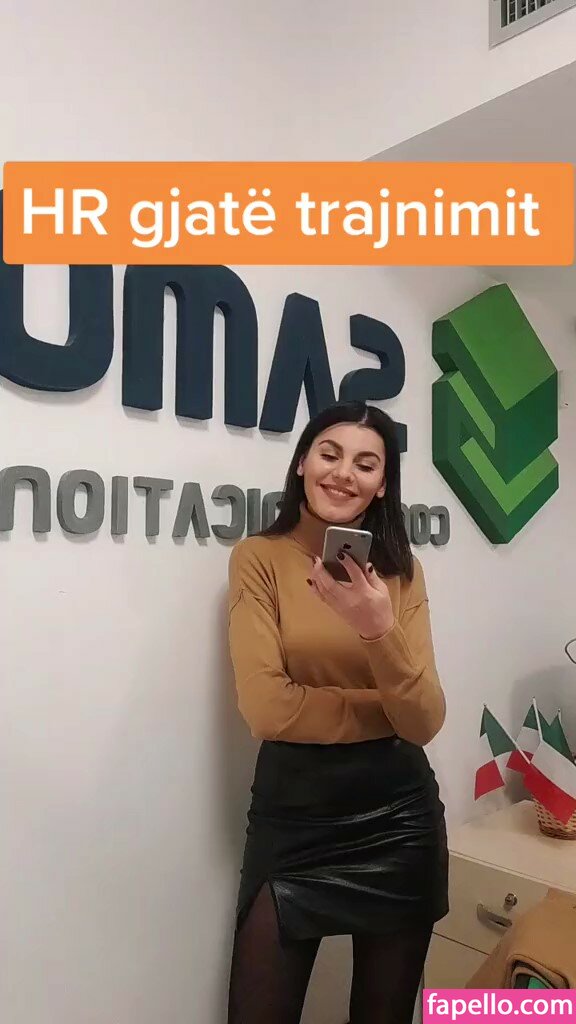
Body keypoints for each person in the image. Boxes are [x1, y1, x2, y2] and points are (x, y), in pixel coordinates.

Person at [226, 400, 448, 1024]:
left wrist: (377, 628)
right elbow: (267, 710)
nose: (344, 473)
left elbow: (425, 721)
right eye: (330, 454)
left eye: (366, 464)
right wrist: (386, 708)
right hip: (294, 815)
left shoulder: (401, 574)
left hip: (399, 820)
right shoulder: (258, 558)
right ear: (302, 463)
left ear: (383, 485)